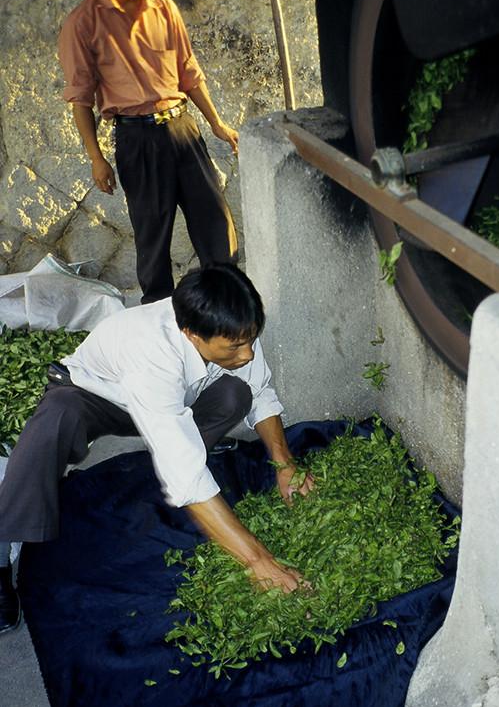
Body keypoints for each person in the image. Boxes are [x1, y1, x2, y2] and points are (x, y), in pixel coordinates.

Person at [0, 263, 315, 634]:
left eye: (250, 340)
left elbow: (259, 390)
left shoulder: (231, 324)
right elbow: (187, 475)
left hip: (174, 399)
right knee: (55, 419)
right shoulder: (150, 351)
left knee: (236, 393)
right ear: (191, 334)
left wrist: (285, 465)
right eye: (235, 346)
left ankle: (188, 442)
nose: (246, 354)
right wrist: (260, 563)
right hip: (99, 397)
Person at [58, 0, 239, 304]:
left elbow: (189, 72)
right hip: (137, 140)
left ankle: (225, 318)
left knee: (218, 230)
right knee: (153, 245)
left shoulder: (164, 7)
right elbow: (80, 98)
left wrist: (216, 123)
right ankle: (162, 332)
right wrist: (96, 158)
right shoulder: (83, 23)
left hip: (183, 129)